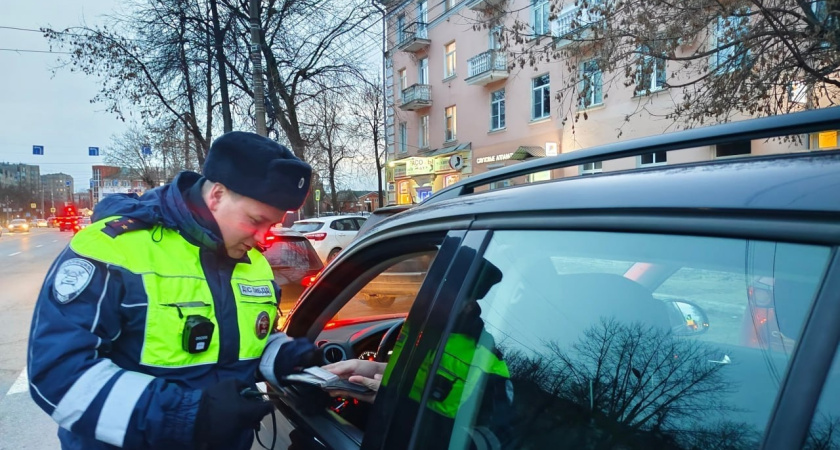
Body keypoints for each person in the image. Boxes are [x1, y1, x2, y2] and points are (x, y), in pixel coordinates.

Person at [28, 131, 321, 450]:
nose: (263, 237)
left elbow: (248, 343)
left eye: (273, 225)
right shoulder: (113, 249)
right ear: (217, 196)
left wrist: (297, 364)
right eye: (255, 221)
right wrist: (185, 416)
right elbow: (59, 376)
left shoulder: (252, 262)